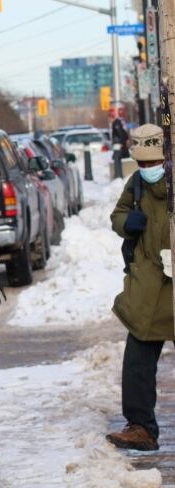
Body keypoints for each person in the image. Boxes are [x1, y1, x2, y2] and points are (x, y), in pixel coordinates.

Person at [107, 124, 172, 452]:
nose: (147, 169)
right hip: (148, 281)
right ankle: (140, 426)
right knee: (138, 359)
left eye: (153, 163)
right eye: (142, 164)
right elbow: (118, 214)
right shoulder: (136, 185)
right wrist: (125, 224)